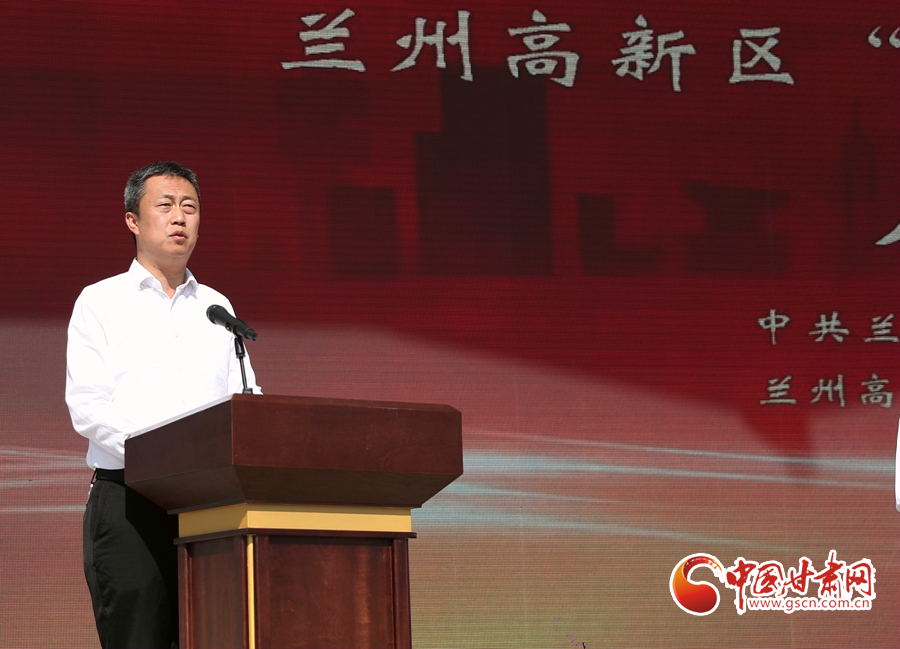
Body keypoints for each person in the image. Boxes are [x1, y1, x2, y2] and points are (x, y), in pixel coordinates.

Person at [66, 161, 261, 648]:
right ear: (132, 220)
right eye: (166, 205)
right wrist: (164, 462)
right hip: (131, 502)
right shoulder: (100, 301)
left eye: (190, 207)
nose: (180, 217)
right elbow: (88, 406)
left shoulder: (217, 307)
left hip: (212, 504)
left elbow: (246, 400)